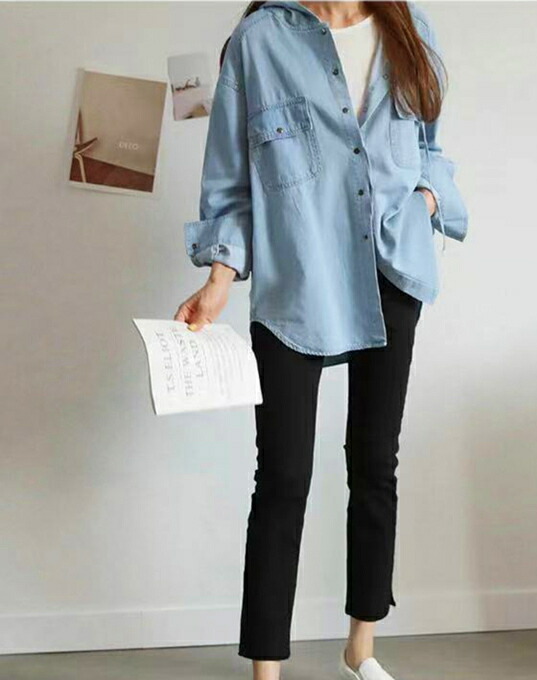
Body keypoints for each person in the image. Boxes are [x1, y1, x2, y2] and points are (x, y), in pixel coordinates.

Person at [174, 2, 468, 679]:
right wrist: (219, 279)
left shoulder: (408, 26)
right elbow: (230, 179)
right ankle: (266, 669)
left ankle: (361, 647)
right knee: (282, 474)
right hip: (296, 274)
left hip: (391, 267)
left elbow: (431, 147)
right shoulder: (259, 41)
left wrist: (425, 200)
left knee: (374, 462)